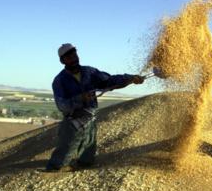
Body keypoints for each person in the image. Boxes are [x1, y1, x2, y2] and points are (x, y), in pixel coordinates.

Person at [45, 43, 145, 172]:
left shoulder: (89, 72)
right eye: (69, 57)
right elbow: (62, 105)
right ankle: (52, 172)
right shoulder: (59, 80)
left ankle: (80, 171)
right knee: (63, 155)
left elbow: (109, 81)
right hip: (72, 122)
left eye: (74, 54)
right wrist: (80, 98)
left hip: (90, 119)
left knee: (87, 158)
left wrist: (131, 78)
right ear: (62, 61)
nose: (73, 58)